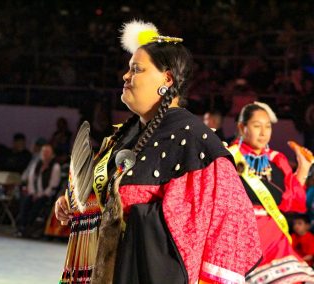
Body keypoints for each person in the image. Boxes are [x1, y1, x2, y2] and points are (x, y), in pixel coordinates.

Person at [55, 20, 262, 283]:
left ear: (167, 78)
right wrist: (76, 205)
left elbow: (229, 226)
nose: (126, 76)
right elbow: (106, 196)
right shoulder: (126, 134)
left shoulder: (194, 141)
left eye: (136, 69)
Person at [228, 102, 314, 283]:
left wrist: (303, 170)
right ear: (242, 128)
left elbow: (290, 202)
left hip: (274, 235)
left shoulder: (277, 160)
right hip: (242, 233)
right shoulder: (229, 156)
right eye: (257, 126)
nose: (263, 132)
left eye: (268, 127)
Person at [16, 144, 61, 237]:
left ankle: (30, 227)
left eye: (48, 152)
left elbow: (53, 184)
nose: (45, 154)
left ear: (52, 155)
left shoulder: (55, 167)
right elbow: (31, 180)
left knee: (38, 205)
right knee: (26, 203)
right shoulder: (36, 165)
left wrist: (41, 195)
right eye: (44, 152)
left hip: (46, 194)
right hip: (34, 193)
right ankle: (22, 226)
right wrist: (33, 193)